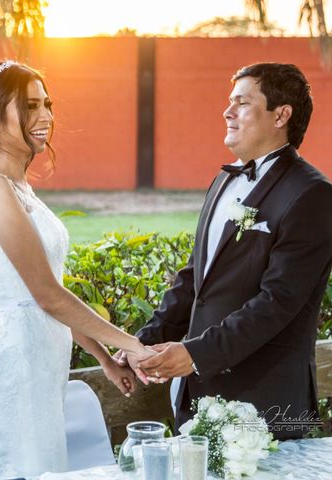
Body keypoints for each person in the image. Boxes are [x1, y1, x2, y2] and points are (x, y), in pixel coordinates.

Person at [0, 60, 153, 479]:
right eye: (30, 106)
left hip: (45, 359)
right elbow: (46, 296)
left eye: (46, 104)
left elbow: (48, 295)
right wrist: (132, 344)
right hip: (18, 364)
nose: (46, 117)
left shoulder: (21, 187)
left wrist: (103, 358)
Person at [119, 62, 332, 440]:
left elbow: (277, 303)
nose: (227, 111)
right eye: (229, 102)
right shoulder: (223, 179)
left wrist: (196, 354)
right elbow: (194, 278)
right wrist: (142, 342)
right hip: (197, 396)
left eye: (242, 103)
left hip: (266, 403)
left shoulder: (312, 194)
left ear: (281, 115)